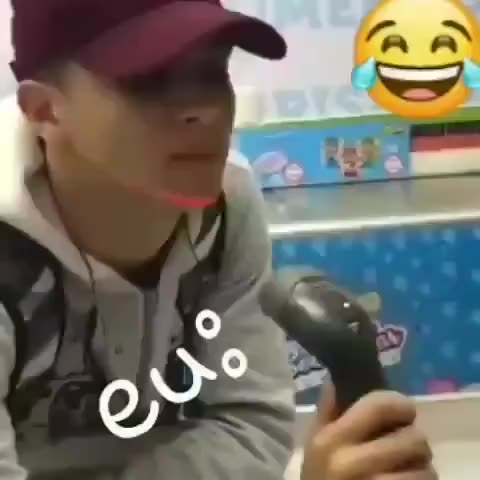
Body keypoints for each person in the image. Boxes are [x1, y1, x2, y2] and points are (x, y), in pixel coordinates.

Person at [0, 0, 437, 479]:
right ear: (44, 109)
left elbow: (253, 423)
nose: (206, 110)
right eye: (148, 79)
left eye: (212, 72)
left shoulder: (228, 201)